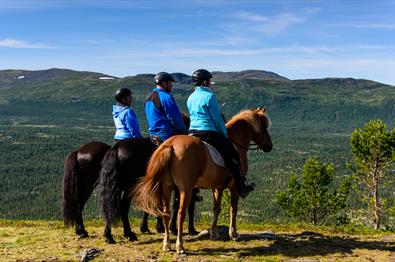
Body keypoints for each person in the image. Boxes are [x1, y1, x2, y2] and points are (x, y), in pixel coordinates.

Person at [187, 69, 254, 198]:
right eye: (209, 81)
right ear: (205, 82)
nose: (210, 83)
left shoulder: (190, 98)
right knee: (234, 154)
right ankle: (241, 187)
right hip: (208, 132)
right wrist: (223, 133)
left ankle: (194, 190)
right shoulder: (209, 96)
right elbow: (217, 118)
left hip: (192, 133)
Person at [144, 72, 187, 144]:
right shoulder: (166, 97)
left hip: (153, 135)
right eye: (170, 82)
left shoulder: (148, 98)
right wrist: (184, 130)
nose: (172, 85)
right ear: (164, 83)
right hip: (166, 134)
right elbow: (174, 118)